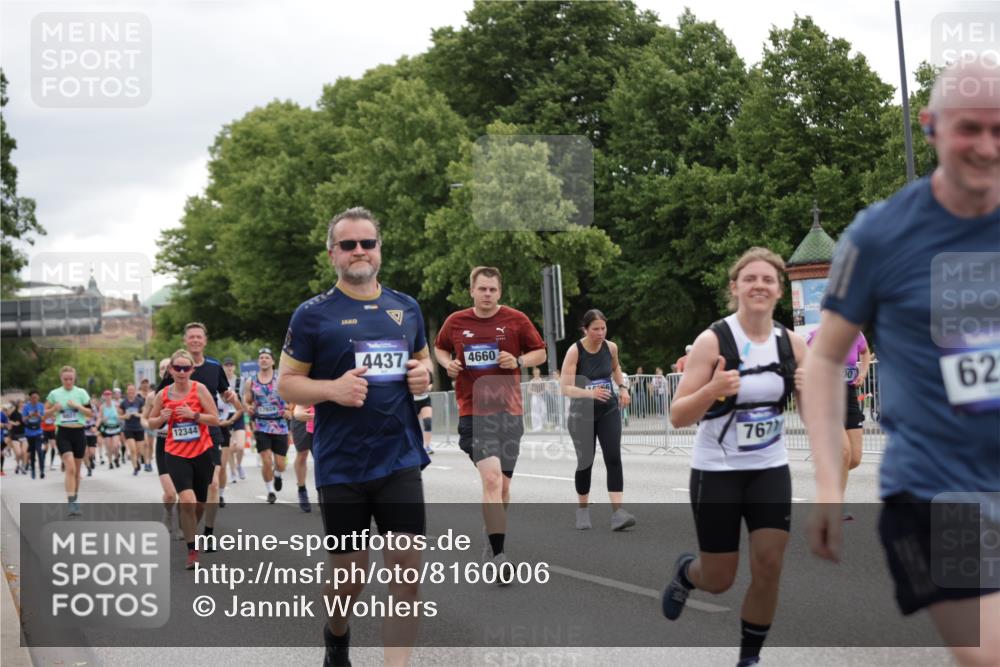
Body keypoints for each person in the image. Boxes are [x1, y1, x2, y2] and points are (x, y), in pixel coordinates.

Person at [804, 60, 1000, 666]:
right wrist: (830, 481)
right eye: (970, 128)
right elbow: (823, 360)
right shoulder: (881, 235)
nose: (987, 146)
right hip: (941, 490)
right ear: (932, 126)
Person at [277, 206, 433, 667]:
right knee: (350, 579)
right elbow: (287, 383)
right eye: (349, 244)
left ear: (380, 250)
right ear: (333, 255)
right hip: (342, 464)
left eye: (368, 242)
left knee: (406, 571)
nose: (359, 251)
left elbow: (424, 364)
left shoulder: (406, 308)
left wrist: (424, 376)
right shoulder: (312, 315)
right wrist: (332, 389)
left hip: (399, 459)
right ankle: (336, 633)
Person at [660, 247, 806, 667]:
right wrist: (711, 389)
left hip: (769, 469)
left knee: (769, 564)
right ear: (735, 287)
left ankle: (749, 658)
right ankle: (688, 572)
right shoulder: (713, 341)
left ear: (779, 289)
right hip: (717, 471)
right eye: (750, 279)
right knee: (720, 579)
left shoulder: (791, 344)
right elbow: (677, 416)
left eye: (768, 279)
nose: (759, 285)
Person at [434, 266, 546, 574]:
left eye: (492, 290)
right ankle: (498, 556)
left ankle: (491, 531)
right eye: (482, 289)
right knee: (492, 479)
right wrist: (449, 364)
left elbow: (540, 352)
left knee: (504, 488)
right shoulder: (456, 322)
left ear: (500, 291)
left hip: (509, 412)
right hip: (474, 412)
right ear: (471, 290)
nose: (487, 294)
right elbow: (440, 347)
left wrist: (519, 360)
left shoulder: (515, 320)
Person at [157, 323, 238, 546]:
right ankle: (188, 520)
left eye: (198, 337)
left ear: (205, 340)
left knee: (212, 485)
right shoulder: (175, 366)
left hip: (210, 430)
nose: (195, 340)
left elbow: (225, 394)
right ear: (185, 340)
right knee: (190, 492)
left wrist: (234, 401)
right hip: (182, 436)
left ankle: (208, 534)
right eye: (191, 337)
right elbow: (160, 397)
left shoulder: (214, 366)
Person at [559, 309, 635, 531]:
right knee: (586, 462)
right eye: (595, 329)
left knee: (613, 457)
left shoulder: (611, 347)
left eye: (603, 328)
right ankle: (582, 509)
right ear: (585, 329)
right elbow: (565, 388)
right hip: (581, 413)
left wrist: (622, 388)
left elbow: (615, 368)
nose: (600, 333)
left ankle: (618, 513)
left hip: (608, 409)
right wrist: (590, 393)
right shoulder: (575, 351)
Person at [147, 350, 221, 570]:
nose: (181, 372)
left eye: (185, 368)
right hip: (176, 453)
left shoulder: (200, 390)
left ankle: (187, 525)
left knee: (199, 503)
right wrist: (161, 418)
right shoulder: (163, 394)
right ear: (170, 370)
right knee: (187, 500)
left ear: (192, 370)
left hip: (201, 452)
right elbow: (151, 423)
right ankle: (192, 550)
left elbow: (215, 419)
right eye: (177, 368)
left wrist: (194, 415)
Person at [805, 327, 871, 521]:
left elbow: (865, 352)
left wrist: (863, 373)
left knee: (855, 458)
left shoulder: (856, 334)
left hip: (849, 396)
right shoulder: (815, 335)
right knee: (843, 452)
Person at [45, 366, 94, 515]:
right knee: (70, 468)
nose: (68, 381)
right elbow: (44, 413)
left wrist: (77, 406)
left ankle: (74, 499)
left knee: (77, 472)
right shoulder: (54, 393)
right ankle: (71, 502)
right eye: (65, 379)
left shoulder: (81, 393)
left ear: (74, 379)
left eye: (70, 379)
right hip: (63, 433)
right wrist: (54, 408)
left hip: (79, 432)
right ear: (61, 379)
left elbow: (90, 413)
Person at [245, 347, 291, 504]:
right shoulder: (251, 381)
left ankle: (277, 475)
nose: (263, 359)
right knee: (266, 460)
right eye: (261, 357)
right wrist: (248, 407)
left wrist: (289, 410)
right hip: (261, 424)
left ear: (272, 361)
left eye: (266, 357)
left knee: (280, 464)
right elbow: (247, 400)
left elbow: (293, 397)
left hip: (279, 424)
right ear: (258, 362)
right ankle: (270, 491)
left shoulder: (281, 379)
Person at [144, 358, 181, 538]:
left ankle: (183, 523)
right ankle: (168, 513)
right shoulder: (153, 396)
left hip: (183, 444)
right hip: (163, 443)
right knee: (170, 493)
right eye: (163, 368)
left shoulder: (188, 392)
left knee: (185, 491)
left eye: (169, 367)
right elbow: (146, 420)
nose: (166, 370)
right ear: (160, 372)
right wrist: (159, 420)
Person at [222, 357, 247, 481]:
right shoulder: (219, 381)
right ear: (223, 367)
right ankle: (232, 472)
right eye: (227, 365)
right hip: (225, 415)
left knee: (240, 447)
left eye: (231, 365)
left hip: (238, 413)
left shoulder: (240, 381)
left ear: (234, 367)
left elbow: (245, 398)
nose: (229, 368)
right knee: (230, 447)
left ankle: (239, 465)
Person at [290, 403, 314, 512]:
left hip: (321, 415)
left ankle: (322, 491)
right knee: (302, 453)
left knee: (320, 456)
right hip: (301, 415)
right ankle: (302, 489)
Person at [120, 384, 146, 475]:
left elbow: (145, 414)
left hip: (139, 428)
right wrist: (125, 416)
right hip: (128, 428)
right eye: (129, 390)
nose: (131, 392)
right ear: (127, 391)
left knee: (139, 450)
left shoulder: (140, 401)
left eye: (132, 390)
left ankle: (137, 461)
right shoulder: (124, 403)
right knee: (132, 449)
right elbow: (119, 416)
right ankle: (135, 467)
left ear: (135, 391)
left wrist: (138, 415)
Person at [97, 390, 124, 468]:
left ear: (111, 396)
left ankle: (116, 458)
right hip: (106, 428)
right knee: (108, 446)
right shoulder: (102, 407)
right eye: (106, 395)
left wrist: (119, 418)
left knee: (115, 445)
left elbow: (121, 414)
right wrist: (101, 421)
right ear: (104, 397)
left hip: (115, 427)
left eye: (109, 395)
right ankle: (110, 462)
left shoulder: (116, 405)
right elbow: (99, 417)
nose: (107, 397)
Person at [22, 391, 45, 479]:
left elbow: (43, 418)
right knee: (32, 452)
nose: (35, 399)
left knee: (39, 451)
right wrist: (29, 415)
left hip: (38, 431)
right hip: (29, 432)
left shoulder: (41, 406)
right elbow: (23, 420)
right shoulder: (26, 407)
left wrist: (39, 415)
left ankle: (42, 471)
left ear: (38, 397)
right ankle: (33, 471)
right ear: (30, 398)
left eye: (36, 397)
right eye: (33, 397)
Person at [528, 367, 547, 433]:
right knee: (535, 412)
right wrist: (535, 393)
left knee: (544, 410)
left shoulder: (542, 380)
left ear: (539, 372)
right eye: (535, 373)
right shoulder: (532, 381)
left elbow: (545, 388)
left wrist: (542, 391)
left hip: (541, 397)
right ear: (533, 373)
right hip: (534, 397)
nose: (537, 374)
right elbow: (529, 390)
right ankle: (536, 427)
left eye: (538, 372)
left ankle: (541, 424)